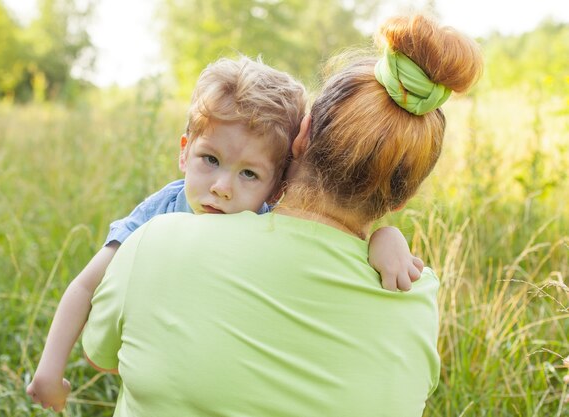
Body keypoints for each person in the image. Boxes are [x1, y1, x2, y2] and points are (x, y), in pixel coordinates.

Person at [81, 13, 483, 417]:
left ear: (302, 135)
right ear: (402, 199)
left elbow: (102, 358)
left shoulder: (154, 241)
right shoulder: (412, 298)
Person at [27, 56, 423, 411]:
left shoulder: (274, 216)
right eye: (210, 160)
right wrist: (49, 368)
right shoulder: (160, 211)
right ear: (184, 151)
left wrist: (386, 239)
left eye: (249, 173)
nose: (221, 187)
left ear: (277, 183)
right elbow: (84, 287)